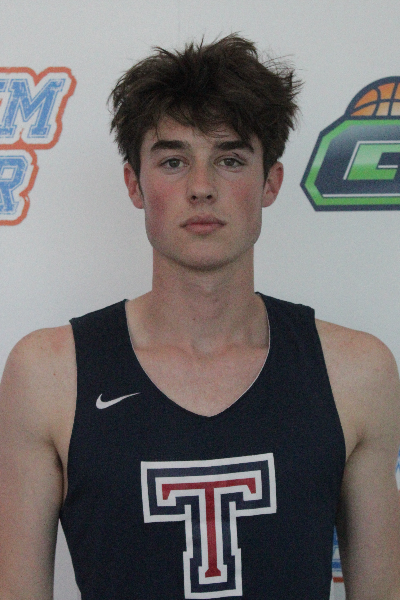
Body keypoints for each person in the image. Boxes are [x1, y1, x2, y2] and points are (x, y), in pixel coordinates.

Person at [0, 34, 399, 600]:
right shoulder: (48, 374)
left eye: (230, 160)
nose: (202, 188)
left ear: (270, 183)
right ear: (135, 184)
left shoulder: (357, 372)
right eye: (173, 161)